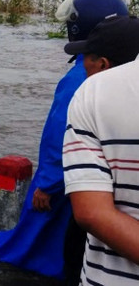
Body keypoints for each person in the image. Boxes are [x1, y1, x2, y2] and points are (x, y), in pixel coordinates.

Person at [0, 0, 128, 282]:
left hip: (69, 185)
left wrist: (45, 184)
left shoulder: (82, 77)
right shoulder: (126, 70)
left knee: (34, 241)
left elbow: (59, 138)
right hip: (107, 186)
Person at [62, 15, 139, 285]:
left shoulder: (91, 93)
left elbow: (91, 213)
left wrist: (45, 185)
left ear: (103, 64)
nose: (81, 66)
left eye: (86, 59)